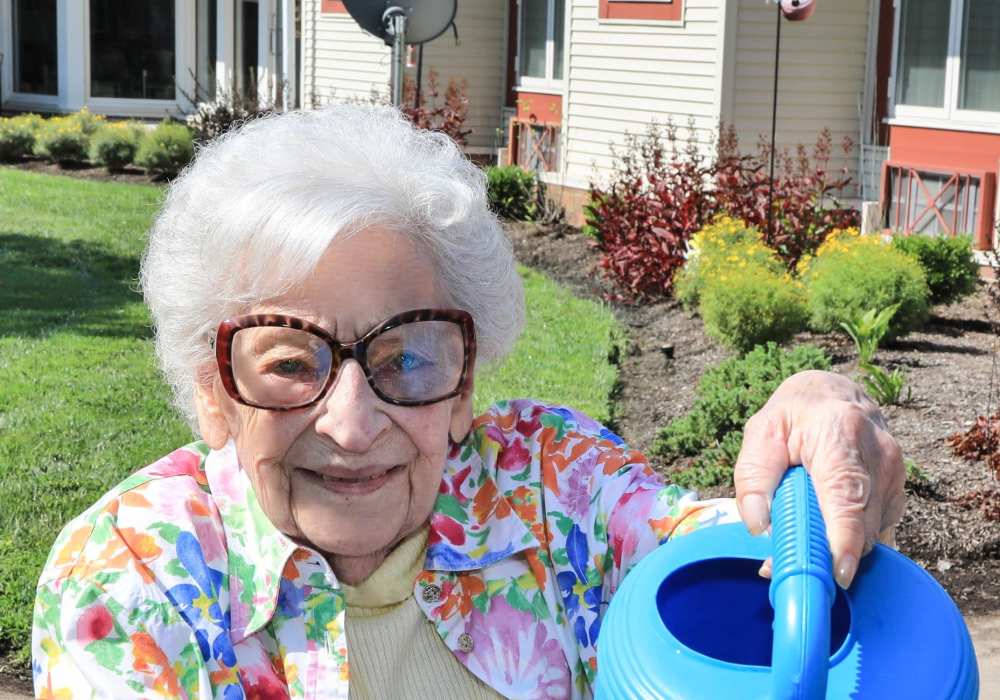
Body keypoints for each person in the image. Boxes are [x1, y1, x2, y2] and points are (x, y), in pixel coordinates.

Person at [31, 105, 904, 699]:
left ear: (465, 386)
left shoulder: (546, 482)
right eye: (291, 362)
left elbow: (732, 559)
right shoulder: (135, 577)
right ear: (214, 391)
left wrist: (814, 419)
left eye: (406, 356)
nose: (352, 421)